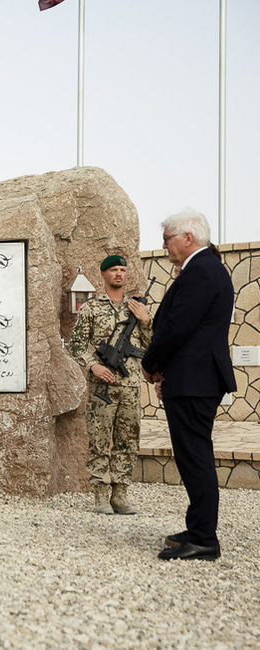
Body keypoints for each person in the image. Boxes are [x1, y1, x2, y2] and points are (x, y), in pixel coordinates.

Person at [141, 210, 235, 561]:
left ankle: (204, 539)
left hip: (195, 379)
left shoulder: (200, 271)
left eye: (167, 238)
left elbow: (177, 327)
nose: (163, 245)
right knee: (192, 454)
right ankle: (197, 528)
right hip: (193, 377)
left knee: (195, 456)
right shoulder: (204, 269)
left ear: (187, 238)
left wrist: (151, 364)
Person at [70, 255, 152, 515]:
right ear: (103, 274)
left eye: (123, 270)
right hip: (101, 386)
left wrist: (146, 321)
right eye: (114, 270)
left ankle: (120, 494)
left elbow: (152, 345)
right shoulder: (91, 308)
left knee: (128, 440)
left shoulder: (136, 308)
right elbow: (77, 344)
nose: (119, 274)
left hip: (130, 385)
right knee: (99, 439)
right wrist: (94, 365)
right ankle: (100, 496)